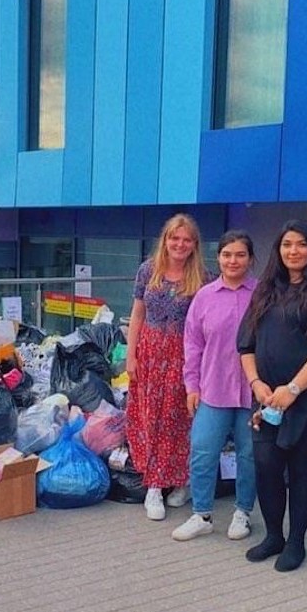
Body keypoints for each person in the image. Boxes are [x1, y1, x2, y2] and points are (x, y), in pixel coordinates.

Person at [238, 219, 307, 572]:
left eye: (300, 244)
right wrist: (256, 385)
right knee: (266, 467)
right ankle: (273, 536)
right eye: (286, 245)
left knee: (302, 470)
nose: (293, 251)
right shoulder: (265, 289)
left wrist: (293, 389)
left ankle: (296, 541)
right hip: (267, 400)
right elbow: (246, 344)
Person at [174, 230, 257, 542]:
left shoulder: (263, 294)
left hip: (253, 392)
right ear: (218, 258)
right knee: (203, 450)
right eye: (227, 254)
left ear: (250, 259)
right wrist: (191, 386)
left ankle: (243, 512)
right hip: (213, 389)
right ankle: (202, 514)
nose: (233, 261)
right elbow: (192, 344)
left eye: (240, 254)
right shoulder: (205, 296)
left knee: (249, 455)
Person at [125, 213, 207, 521]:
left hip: (184, 354)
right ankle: (154, 485)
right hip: (149, 352)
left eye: (186, 239)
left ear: (194, 244)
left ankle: (180, 479)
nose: (180, 244)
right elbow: (136, 314)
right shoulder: (148, 270)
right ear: (165, 239)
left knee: (180, 417)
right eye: (175, 238)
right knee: (150, 416)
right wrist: (130, 356)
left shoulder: (203, 277)